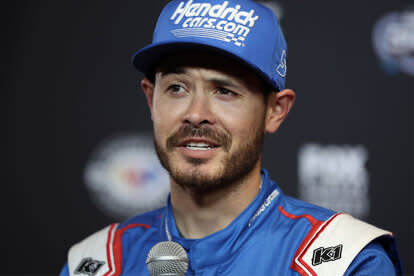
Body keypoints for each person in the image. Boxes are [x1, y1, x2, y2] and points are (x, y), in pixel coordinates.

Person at [60, 0, 403, 275]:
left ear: (275, 110)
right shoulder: (96, 264)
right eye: (177, 88)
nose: (195, 113)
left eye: (224, 91)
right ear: (151, 99)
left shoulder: (344, 263)